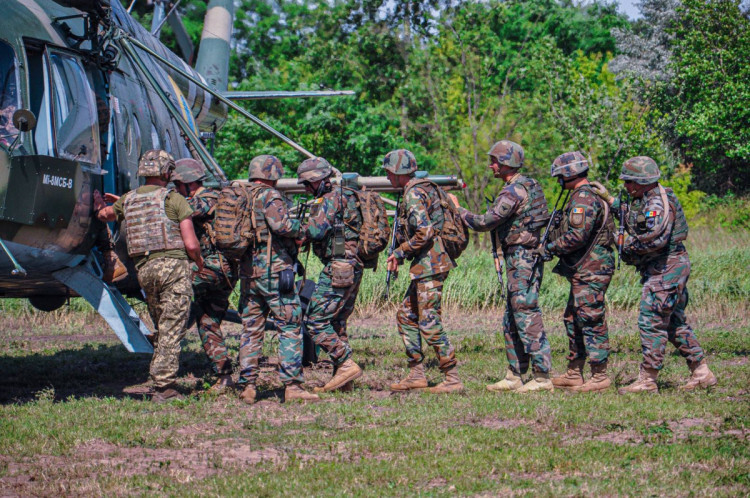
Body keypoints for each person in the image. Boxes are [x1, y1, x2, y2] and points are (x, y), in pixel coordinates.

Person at [591, 157, 717, 393]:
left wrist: (627, 249)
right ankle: (702, 373)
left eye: (629, 182)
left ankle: (647, 380)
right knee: (675, 323)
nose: (627, 186)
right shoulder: (648, 198)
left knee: (651, 321)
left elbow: (655, 239)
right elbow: (634, 220)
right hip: (669, 266)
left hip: (665, 268)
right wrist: (609, 199)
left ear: (640, 182)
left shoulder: (656, 204)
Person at [94, 149, 203, 403]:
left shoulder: (129, 200)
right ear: (167, 172)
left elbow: (104, 215)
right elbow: (191, 244)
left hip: (144, 269)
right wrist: (199, 262)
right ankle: (164, 387)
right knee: (172, 327)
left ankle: (161, 377)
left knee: (162, 324)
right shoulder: (175, 199)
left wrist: (100, 204)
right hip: (173, 269)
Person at [457, 140, 553, 393]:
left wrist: (459, 211)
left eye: (495, 161)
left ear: (506, 163)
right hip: (519, 257)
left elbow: (485, 222)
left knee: (525, 313)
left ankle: (542, 377)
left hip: (523, 258)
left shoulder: (514, 191)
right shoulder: (526, 186)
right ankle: (514, 374)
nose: (491, 166)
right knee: (512, 317)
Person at [236, 155, 319, 404]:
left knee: (251, 329)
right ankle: (292, 386)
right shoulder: (269, 195)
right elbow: (281, 225)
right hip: (275, 272)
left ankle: (248, 386)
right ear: (272, 174)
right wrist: (301, 230)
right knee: (290, 325)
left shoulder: (241, 195)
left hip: (248, 273)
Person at [384, 149, 463, 394]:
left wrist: (399, 253)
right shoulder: (423, 188)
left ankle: (452, 378)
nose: (387, 177)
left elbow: (425, 231)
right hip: (426, 264)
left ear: (397, 172)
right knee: (406, 315)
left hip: (431, 264)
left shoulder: (413, 193)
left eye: (389, 172)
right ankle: (416, 374)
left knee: (429, 321)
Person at [539, 151, 615, 392]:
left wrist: (550, 248)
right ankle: (574, 372)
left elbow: (577, 236)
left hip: (591, 268)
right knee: (573, 318)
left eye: (560, 175)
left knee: (590, 318)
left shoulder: (583, 198)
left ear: (570, 173)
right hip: (584, 267)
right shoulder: (580, 196)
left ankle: (599, 375)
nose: (558, 180)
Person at [296, 157, 365, 393]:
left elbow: (316, 230)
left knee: (314, 321)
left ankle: (345, 363)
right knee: (336, 321)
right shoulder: (346, 196)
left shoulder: (329, 199)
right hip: (352, 265)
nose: (305, 189)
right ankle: (343, 380)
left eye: (307, 184)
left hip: (339, 266)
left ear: (319, 180)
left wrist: (297, 232)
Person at [172, 158, 238, 392]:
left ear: (187, 184)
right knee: (207, 321)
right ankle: (225, 377)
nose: (175, 191)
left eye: (177, 185)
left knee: (170, 284)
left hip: (213, 267)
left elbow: (181, 211)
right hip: (223, 270)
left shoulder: (207, 200)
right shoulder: (208, 197)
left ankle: (166, 333)